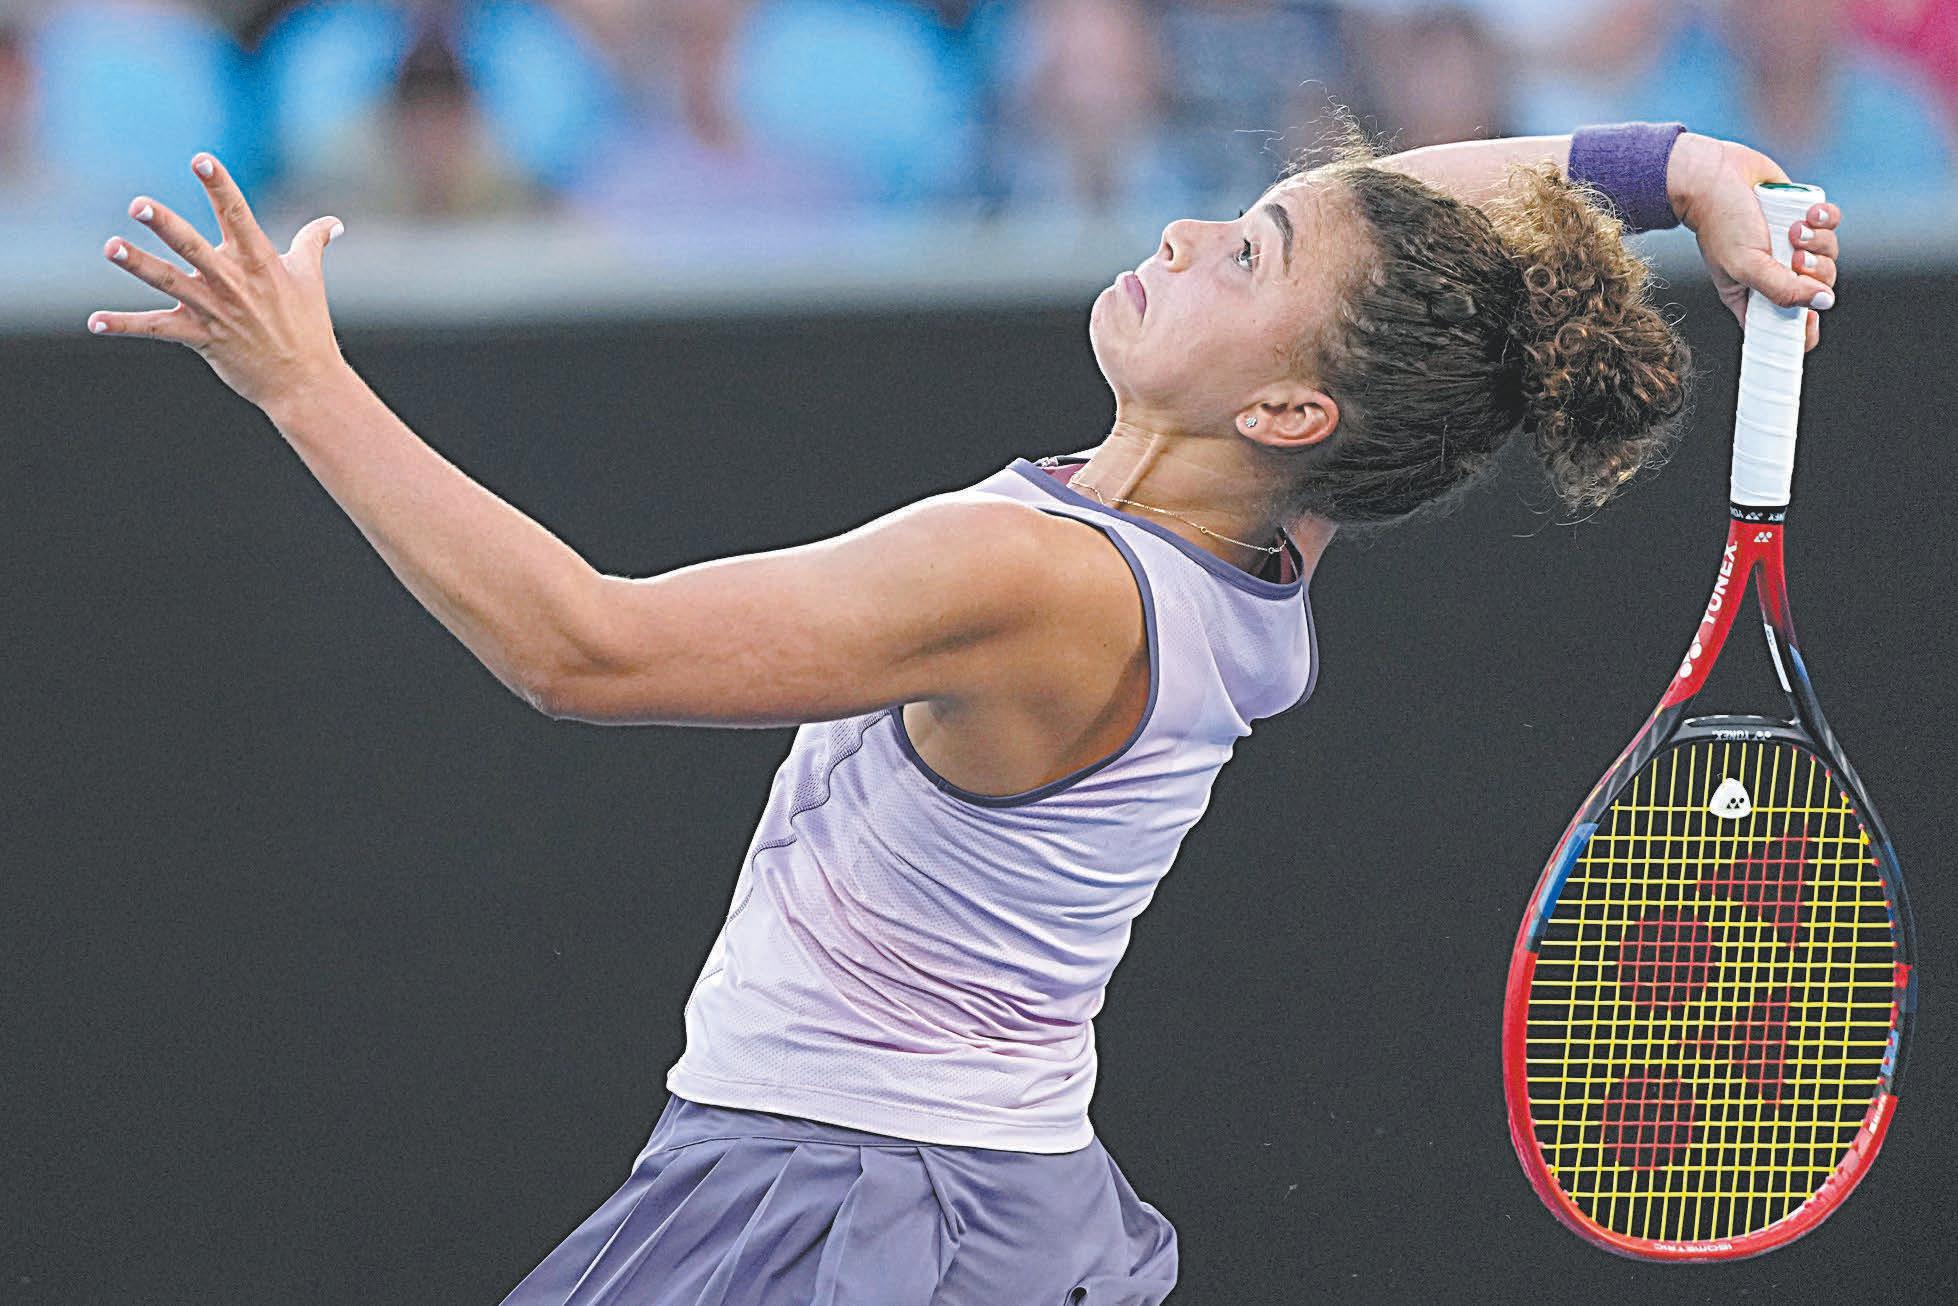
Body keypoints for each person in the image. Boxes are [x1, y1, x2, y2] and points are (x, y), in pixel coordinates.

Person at [84, 119, 1841, 1303]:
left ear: (1290, 409)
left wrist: (299, 378)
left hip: (843, 1208)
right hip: (970, 1200)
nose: (1186, 233)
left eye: (1240, 258)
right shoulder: (1269, 525)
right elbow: (1404, 231)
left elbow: (583, 650)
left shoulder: (1033, 579)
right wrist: (1683, 166)